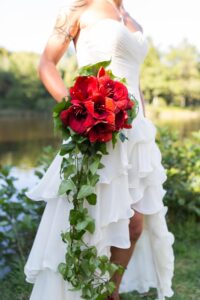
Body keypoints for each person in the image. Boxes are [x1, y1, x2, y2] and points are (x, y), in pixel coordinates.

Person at [24, 1, 175, 299]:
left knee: (134, 225)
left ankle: (110, 293)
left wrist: (145, 128)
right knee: (95, 221)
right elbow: (46, 64)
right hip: (99, 128)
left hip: (135, 133)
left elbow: (136, 83)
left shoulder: (130, 17)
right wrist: (78, 109)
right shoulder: (78, 8)